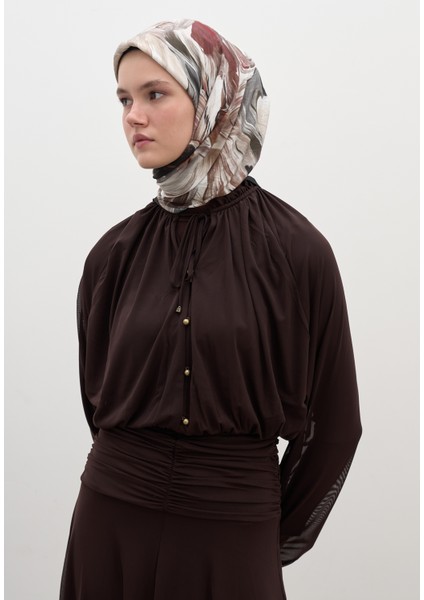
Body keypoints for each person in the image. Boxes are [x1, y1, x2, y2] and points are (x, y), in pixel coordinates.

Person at [59, 19, 362, 600]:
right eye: (124, 99)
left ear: (214, 99)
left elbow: (334, 426)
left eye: (155, 94)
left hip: (232, 532)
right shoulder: (112, 255)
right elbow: (97, 400)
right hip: (110, 522)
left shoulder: (297, 252)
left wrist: (260, 533)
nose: (133, 116)